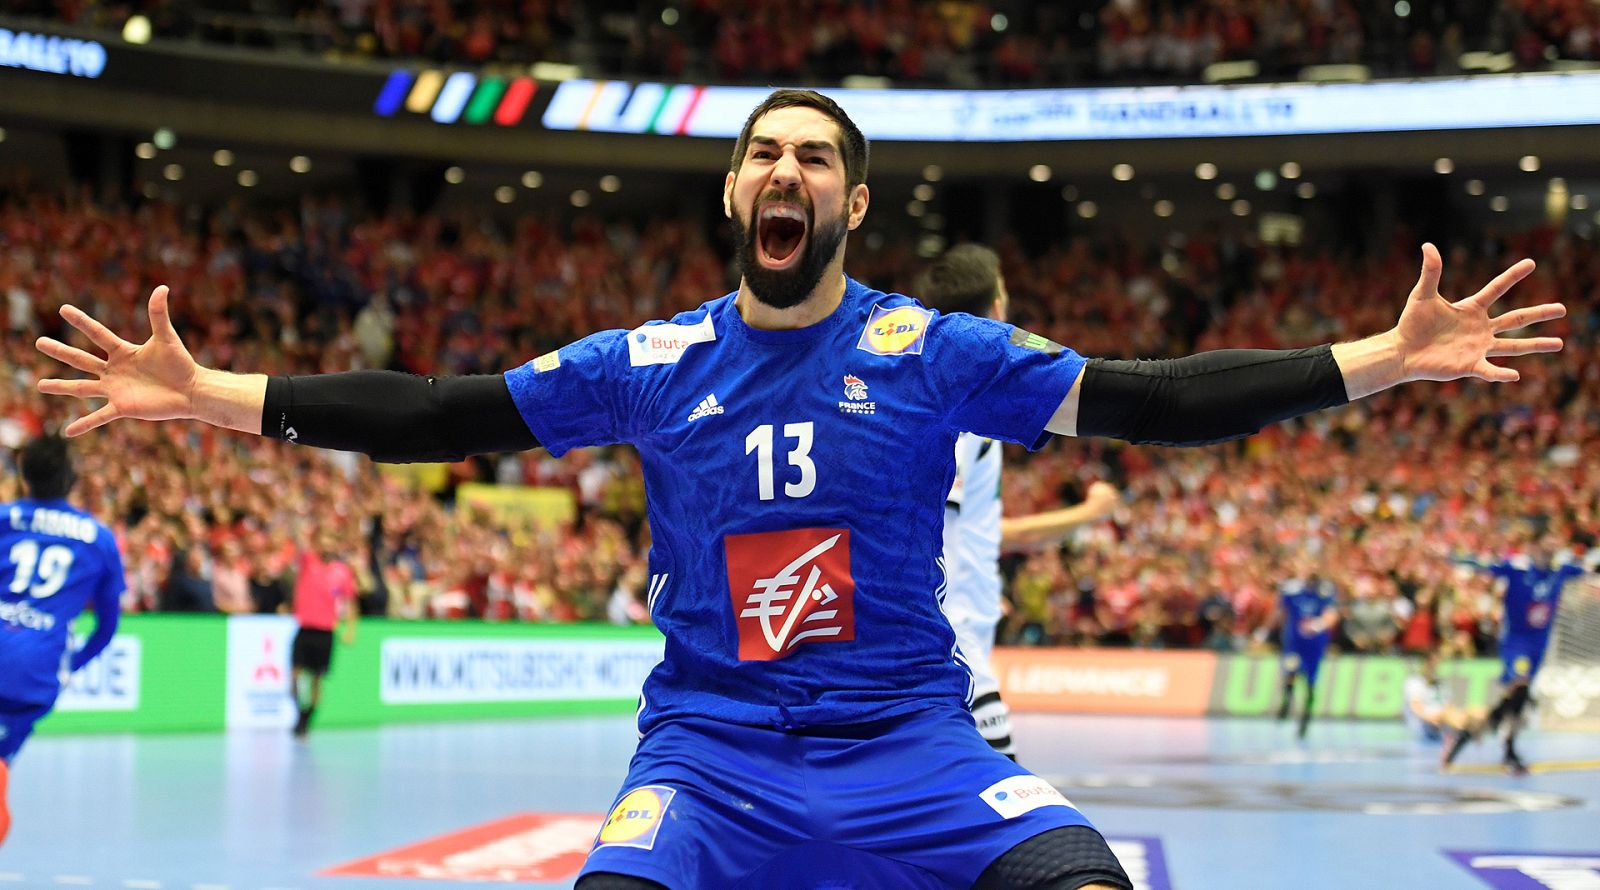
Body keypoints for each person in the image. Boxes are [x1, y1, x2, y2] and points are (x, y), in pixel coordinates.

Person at [33, 88, 1564, 889]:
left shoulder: (937, 349)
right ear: (732, 190)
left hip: (915, 743)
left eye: (814, 158)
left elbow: (1154, 401)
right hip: (708, 755)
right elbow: (439, 412)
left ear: (852, 202)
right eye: (763, 152)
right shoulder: (647, 359)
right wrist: (213, 397)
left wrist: (1375, 359)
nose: (785, 173)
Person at [918, 243, 1119, 760]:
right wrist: (1092, 513)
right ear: (996, 310)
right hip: (953, 650)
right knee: (1007, 823)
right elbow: (933, 530)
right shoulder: (958, 417)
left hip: (957, 638)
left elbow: (970, 530)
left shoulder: (949, 396)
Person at [0, 435, 126, 847]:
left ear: (23, 476)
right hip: (34, 675)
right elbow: (107, 627)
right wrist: (71, 664)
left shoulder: (4, 518)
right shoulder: (98, 539)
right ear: (72, 480)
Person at [1443, 533, 1589, 774]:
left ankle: (1471, 734)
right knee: (1519, 688)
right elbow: (1483, 566)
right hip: (1515, 643)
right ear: (1533, 548)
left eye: (1554, 544)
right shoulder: (1516, 569)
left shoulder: (1561, 571)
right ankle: (1507, 749)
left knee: (1514, 703)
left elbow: (1589, 569)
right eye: (1545, 545)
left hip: (1538, 646)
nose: (1550, 549)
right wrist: (1457, 559)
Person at [288, 527, 359, 738]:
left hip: (325, 632)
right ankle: (299, 712)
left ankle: (307, 719)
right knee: (294, 675)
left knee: (317, 680)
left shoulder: (341, 571)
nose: (327, 545)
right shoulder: (309, 562)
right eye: (324, 540)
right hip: (305, 628)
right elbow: (299, 539)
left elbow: (350, 601)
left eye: (331, 541)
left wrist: (350, 629)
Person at [1275, 555, 1339, 739]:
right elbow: (1279, 612)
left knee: (1311, 685)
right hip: (1295, 643)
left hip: (1315, 645)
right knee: (1291, 670)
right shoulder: (1291, 589)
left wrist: (1318, 624)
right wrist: (1264, 632)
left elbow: (1331, 614)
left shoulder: (1325, 590)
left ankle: (1305, 720)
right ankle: (1287, 700)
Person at [1404, 648, 1487, 756]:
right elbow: (1415, 707)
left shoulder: (1440, 681)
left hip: (1443, 718)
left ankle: (1467, 735)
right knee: (1458, 718)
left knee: (1480, 711)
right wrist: (1432, 719)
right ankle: (1455, 743)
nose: (1434, 666)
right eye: (1431, 662)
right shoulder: (1415, 681)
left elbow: (1449, 703)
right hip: (1426, 723)